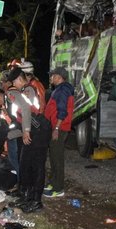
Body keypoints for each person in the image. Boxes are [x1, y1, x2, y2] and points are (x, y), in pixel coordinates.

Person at [7, 68, 50, 212]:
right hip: (35, 129)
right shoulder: (27, 89)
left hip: (38, 129)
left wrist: (26, 131)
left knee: (36, 166)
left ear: (19, 79)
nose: (14, 85)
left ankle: (36, 201)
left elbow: (26, 110)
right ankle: (28, 197)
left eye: (14, 82)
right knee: (27, 165)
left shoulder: (26, 90)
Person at [44, 67, 74, 198]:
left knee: (57, 158)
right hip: (57, 127)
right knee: (54, 156)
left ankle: (59, 188)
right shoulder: (60, 89)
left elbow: (62, 111)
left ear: (59, 77)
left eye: (52, 75)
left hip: (59, 128)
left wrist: (56, 128)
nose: (51, 78)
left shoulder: (62, 90)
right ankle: (53, 182)